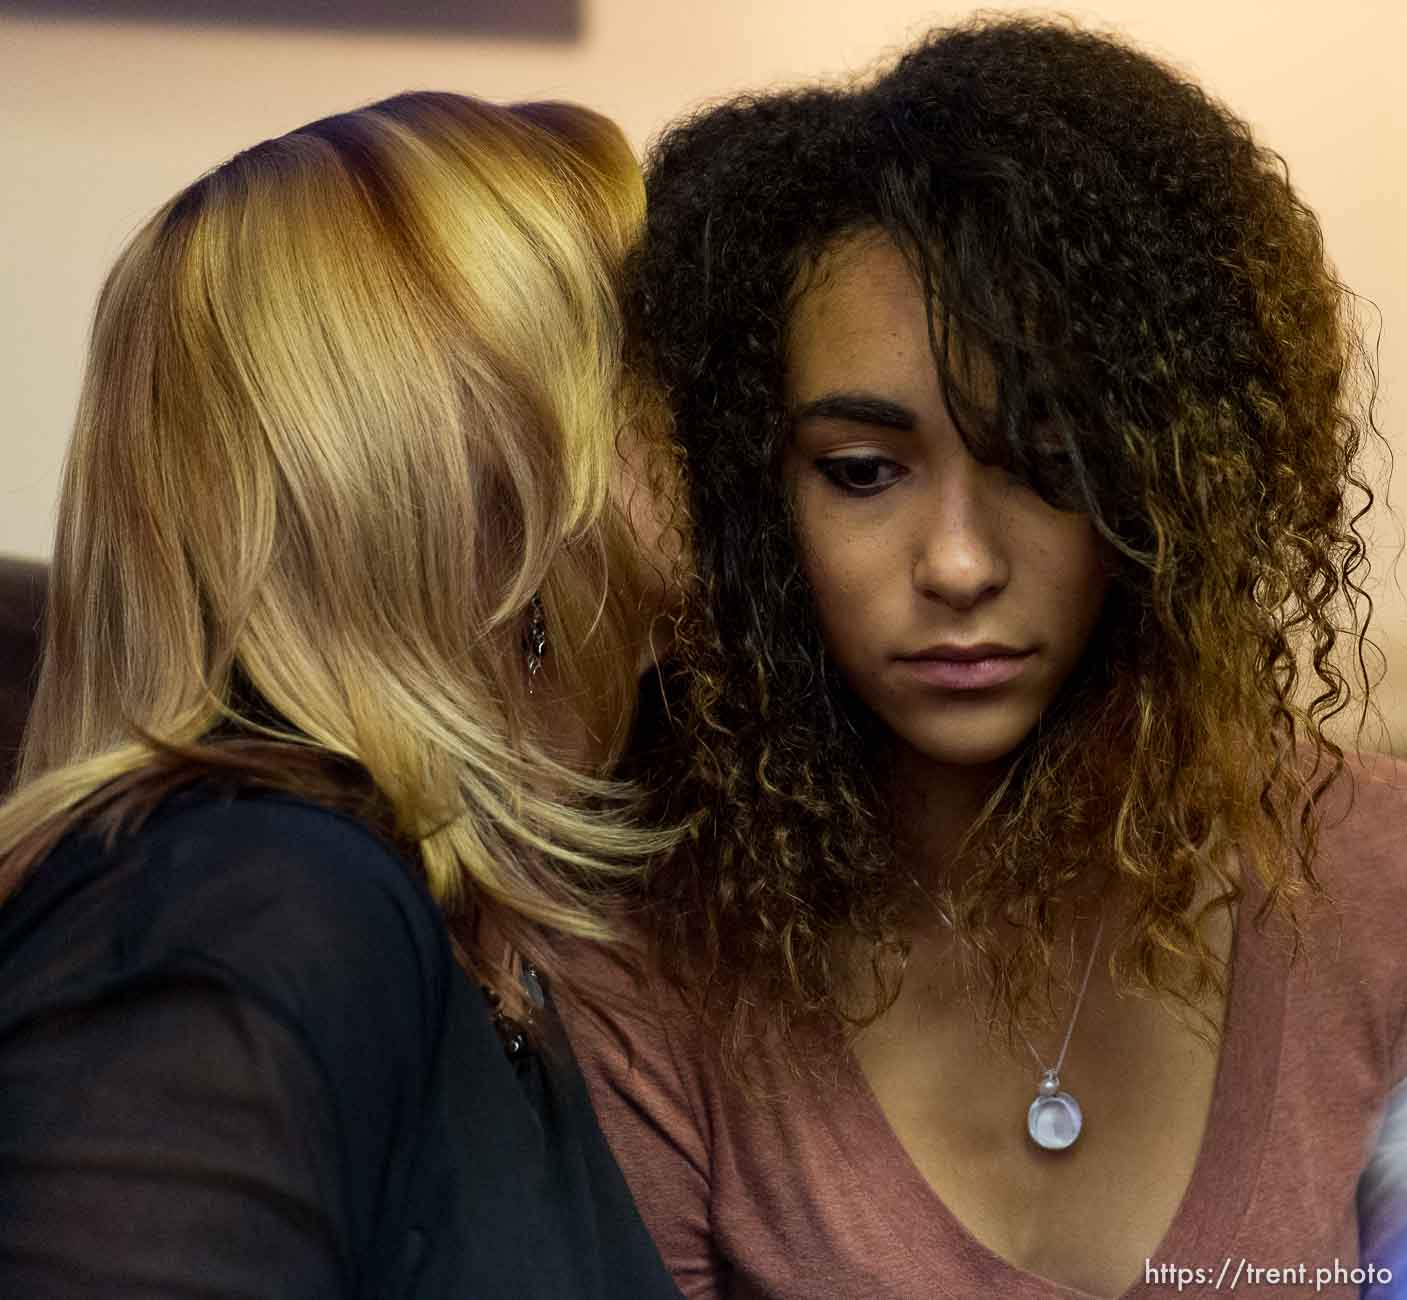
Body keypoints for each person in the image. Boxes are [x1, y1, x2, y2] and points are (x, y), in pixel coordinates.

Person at [561, 17, 1406, 1299]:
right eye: (862, 472)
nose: (958, 563)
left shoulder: (1370, 875)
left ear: (1157, 487)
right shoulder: (642, 948)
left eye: (1047, 464)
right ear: (747, 495)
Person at [0, 91, 682, 1298]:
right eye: (655, 388)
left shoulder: (462, 927)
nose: (717, 447)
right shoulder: (258, 895)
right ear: (495, 482)